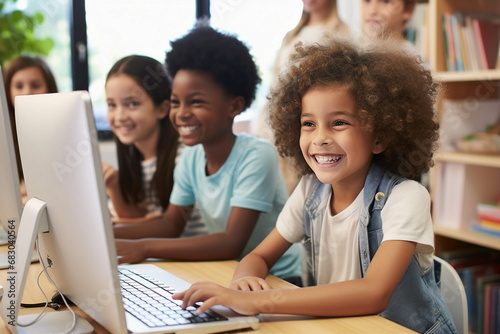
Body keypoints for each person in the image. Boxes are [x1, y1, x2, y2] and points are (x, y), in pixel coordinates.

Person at [172, 37, 459, 334]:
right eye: (308, 123)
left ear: (380, 136)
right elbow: (258, 256)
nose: (319, 137)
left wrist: (263, 302)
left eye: (339, 123)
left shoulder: (406, 197)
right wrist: (242, 285)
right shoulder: (310, 191)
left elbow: (374, 293)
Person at [113, 23, 303, 284]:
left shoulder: (257, 156)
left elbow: (230, 242)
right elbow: (171, 225)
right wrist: (109, 231)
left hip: (280, 277)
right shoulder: (192, 157)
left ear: (234, 106)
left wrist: (143, 247)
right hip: (231, 272)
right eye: (176, 102)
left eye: (196, 102)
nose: (181, 113)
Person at [103, 55, 206, 237]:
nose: (119, 116)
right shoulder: (134, 160)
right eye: (112, 105)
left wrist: (123, 225)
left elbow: (165, 226)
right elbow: (139, 218)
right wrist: (113, 186)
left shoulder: (185, 156)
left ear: (162, 109)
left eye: (132, 104)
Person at [253, 0, 348, 194]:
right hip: (275, 125)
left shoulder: (341, 33)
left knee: (300, 188)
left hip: (305, 124)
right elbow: (276, 83)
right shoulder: (291, 35)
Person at [3, 55, 58, 202]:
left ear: (49, 89)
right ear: (8, 93)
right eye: (19, 86)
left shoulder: (60, 132)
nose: (27, 92)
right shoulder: (4, 135)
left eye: (35, 85)